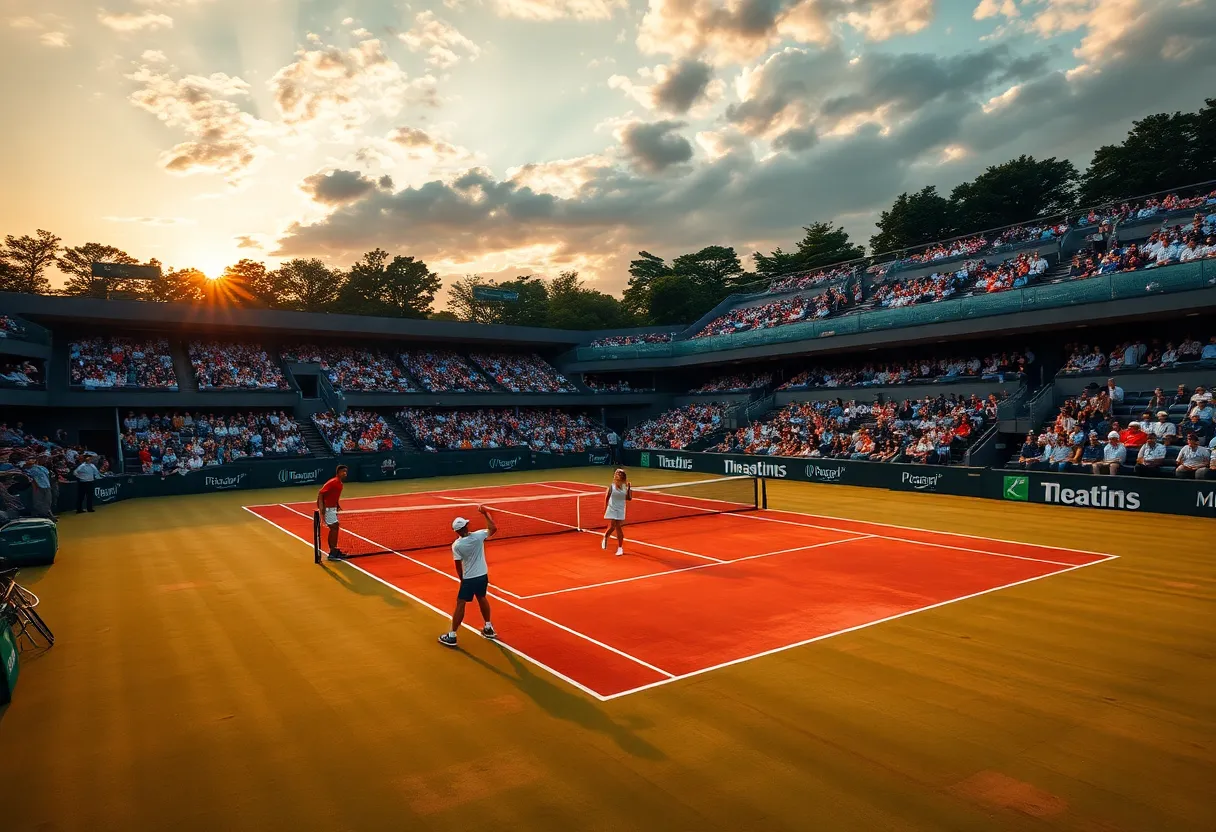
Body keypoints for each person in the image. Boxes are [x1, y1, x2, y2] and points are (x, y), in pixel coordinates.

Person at [439, 507, 497, 648]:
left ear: (457, 531)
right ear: (465, 527)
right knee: (482, 597)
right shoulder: (478, 536)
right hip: (482, 575)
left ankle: (452, 636)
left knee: (461, 603)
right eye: (466, 525)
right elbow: (493, 528)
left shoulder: (457, 545)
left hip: (470, 578)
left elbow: (458, 565)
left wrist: (462, 579)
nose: (468, 526)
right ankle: (488, 627)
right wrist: (485, 513)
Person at [316, 464, 349, 561]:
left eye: (346, 472)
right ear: (338, 472)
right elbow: (321, 493)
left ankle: (333, 550)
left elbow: (334, 496)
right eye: (343, 471)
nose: (345, 474)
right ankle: (332, 552)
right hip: (328, 509)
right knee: (334, 527)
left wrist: (337, 505)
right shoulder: (333, 482)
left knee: (335, 527)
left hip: (333, 508)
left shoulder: (340, 484)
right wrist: (321, 508)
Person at [601, 468, 632, 557]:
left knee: (614, 527)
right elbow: (606, 497)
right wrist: (605, 508)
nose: (618, 480)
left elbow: (628, 498)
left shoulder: (624, 487)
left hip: (621, 509)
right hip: (612, 508)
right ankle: (618, 547)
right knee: (616, 526)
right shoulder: (611, 487)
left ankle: (607, 537)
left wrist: (629, 488)